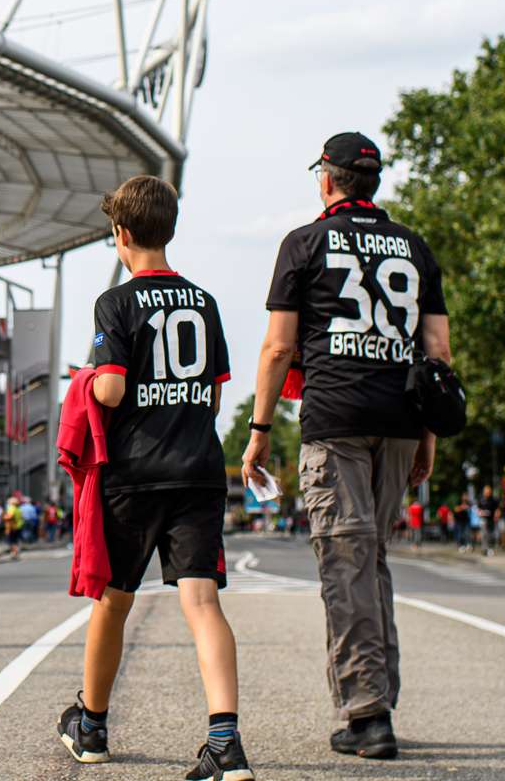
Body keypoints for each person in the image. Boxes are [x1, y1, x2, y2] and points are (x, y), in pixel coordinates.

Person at [243, 132, 449, 761]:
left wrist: (258, 432)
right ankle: (379, 696)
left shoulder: (303, 244)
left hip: (335, 418)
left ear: (326, 180)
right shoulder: (414, 248)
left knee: (345, 560)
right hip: (401, 418)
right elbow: (438, 354)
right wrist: (429, 438)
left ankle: (366, 712)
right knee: (373, 558)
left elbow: (279, 347)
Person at [57, 173, 248, 779]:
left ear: (120, 234)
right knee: (202, 601)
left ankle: (91, 725)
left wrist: (84, 377)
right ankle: (225, 741)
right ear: (169, 229)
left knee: (113, 602)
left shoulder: (115, 303)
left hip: (135, 473)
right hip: (197, 468)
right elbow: (214, 400)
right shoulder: (205, 301)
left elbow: (110, 387)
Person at [476, 485, 501, 557]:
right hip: (483, 519)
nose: (487, 493)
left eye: (489, 491)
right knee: (484, 534)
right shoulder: (481, 499)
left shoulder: (494, 499)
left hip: (492, 519)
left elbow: (497, 509)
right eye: (486, 491)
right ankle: (484, 549)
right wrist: (481, 512)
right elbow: (478, 510)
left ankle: (490, 548)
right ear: (484, 492)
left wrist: (497, 514)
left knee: (491, 534)